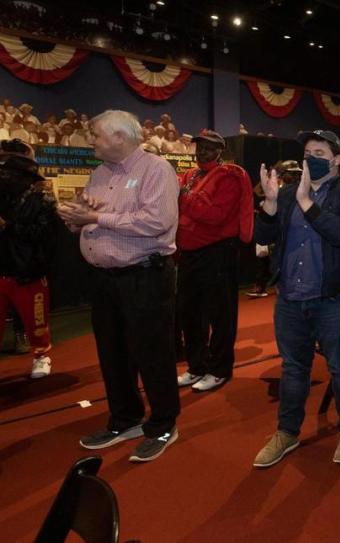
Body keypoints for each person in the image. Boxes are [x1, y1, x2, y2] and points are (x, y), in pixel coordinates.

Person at [57, 110, 180, 462]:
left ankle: (163, 424)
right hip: (105, 279)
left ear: (119, 137)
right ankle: (125, 419)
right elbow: (89, 220)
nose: (91, 139)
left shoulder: (156, 169)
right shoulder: (99, 173)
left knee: (152, 354)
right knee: (112, 354)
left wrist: (96, 217)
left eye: (95, 134)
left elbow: (157, 222)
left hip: (145, 275)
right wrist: (77, 214)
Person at [252, 129, 340, 468]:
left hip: (333, 299)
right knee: (293, 369)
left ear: (336, 160)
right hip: (290, 298)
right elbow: (262, 238)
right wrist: (270, 207)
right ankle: (287, 432)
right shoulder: (286, 194)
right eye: (308, 152)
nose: (311, 157)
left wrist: (306, 202)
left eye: (319, 152)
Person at [174, 130, 253, 393]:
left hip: (218, 253)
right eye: (199, 147)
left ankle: (219, 369)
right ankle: (197, 366)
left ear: (220, 150)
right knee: (190, 313)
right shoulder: (190, 176)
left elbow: (214, 215)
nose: (202, 152)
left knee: (220, 315)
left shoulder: (231, 175)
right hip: (190, 254)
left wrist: (183, 198)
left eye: (208, 148)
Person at [0, 141, 57, 378]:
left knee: (36, 319)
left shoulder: (40, 192)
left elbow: (42, 234)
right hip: (2, 265)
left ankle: (41, 355)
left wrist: (8, 226)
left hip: (27, 268)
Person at [248, 160, 300, 298]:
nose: (293, 177)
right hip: (277, 242)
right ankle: (261, 285)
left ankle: (261, 285)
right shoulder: (275, 191)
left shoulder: (304, 193)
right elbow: (262, 234)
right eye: (289, 174)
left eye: (295, 174)